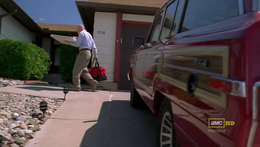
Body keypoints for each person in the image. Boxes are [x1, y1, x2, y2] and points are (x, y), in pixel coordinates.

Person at [65, 24, 99, 92]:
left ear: (79, 29)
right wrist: (95, 55)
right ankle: (93, 83)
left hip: (83, 53)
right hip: (88, 53)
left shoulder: (81, 33)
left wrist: (69, 42)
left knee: (76, 70)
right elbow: (94, 46)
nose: (77, 32)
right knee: (84, 70)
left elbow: (77, 44)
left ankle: (77, 86)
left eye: (77, 30)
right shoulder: (89, 35)